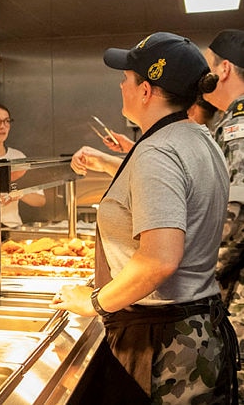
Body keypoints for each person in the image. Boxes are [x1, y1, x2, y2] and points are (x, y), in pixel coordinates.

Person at [62, 32, 238, 403]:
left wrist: (92, 302)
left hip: (163, 342)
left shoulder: (159, 151)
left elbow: (159, 260)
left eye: (127, 76)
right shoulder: (199, 138)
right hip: (198, 328)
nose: (121, 83)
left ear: (146, 91)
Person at [197, 28, 244, 399]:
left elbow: (236, 223)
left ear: (224, 69)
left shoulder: (238, 127)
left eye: (207, 65)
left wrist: (192, 277)